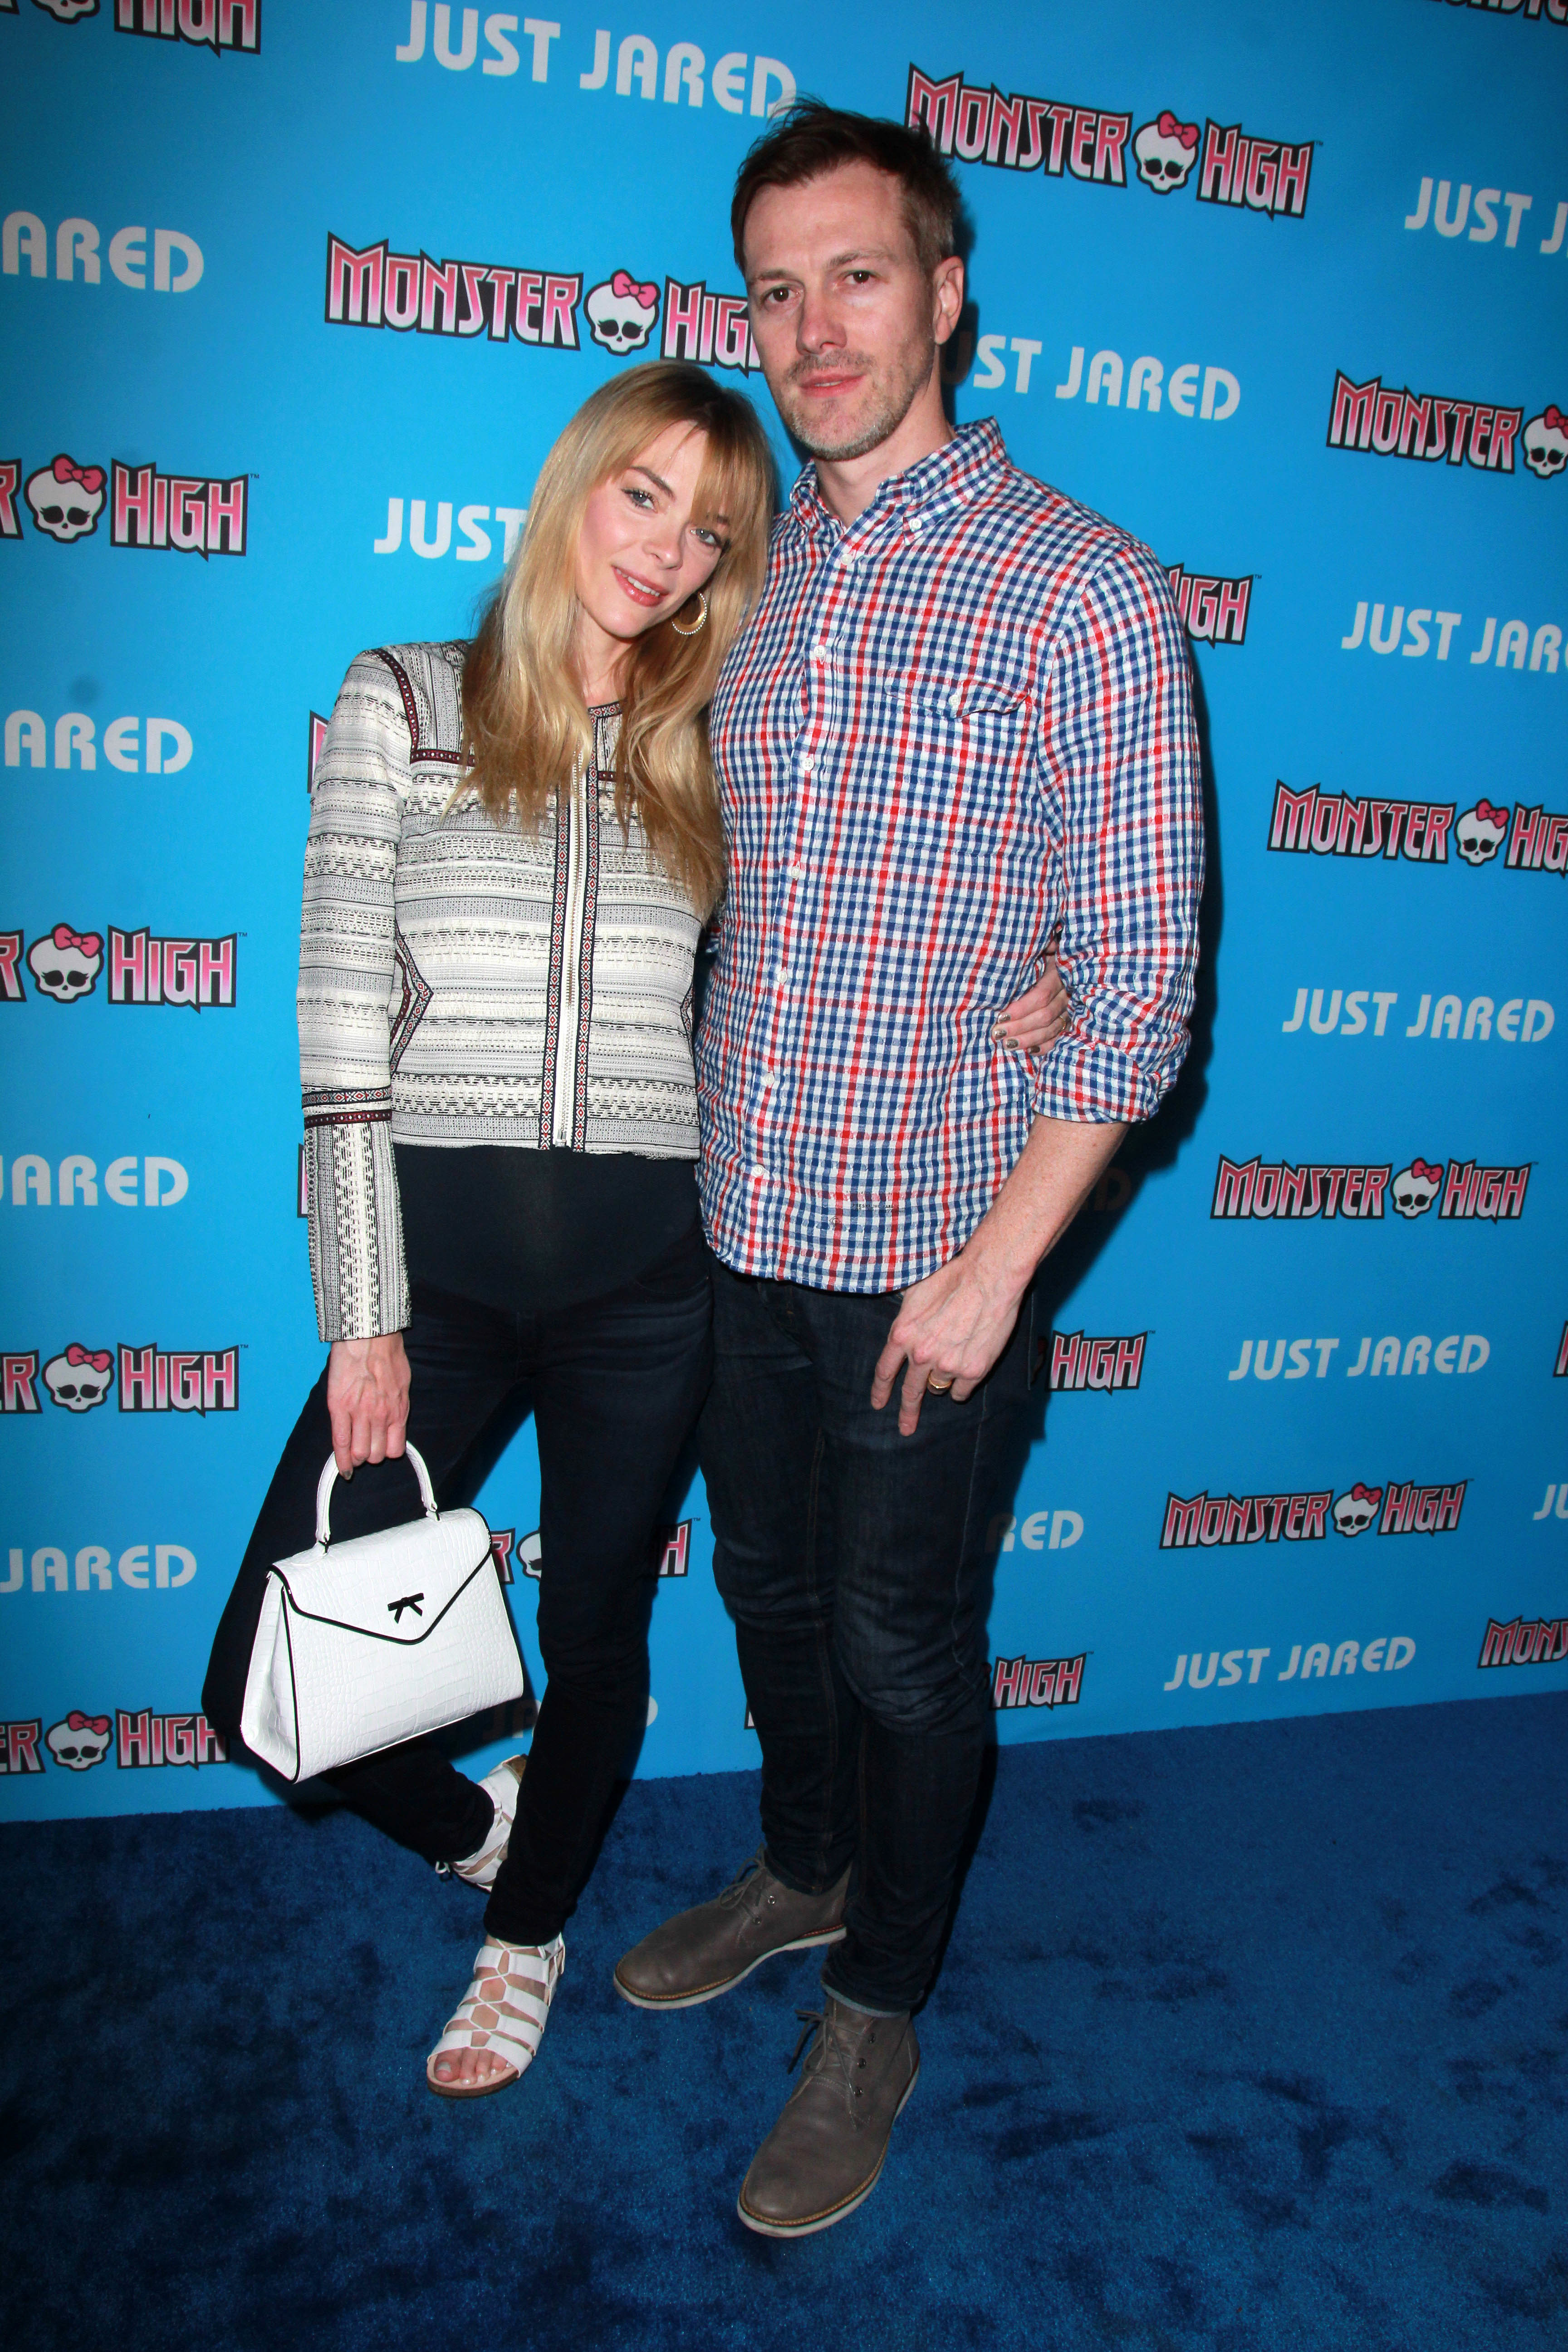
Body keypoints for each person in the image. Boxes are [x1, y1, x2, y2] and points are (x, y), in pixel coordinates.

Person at [613, 105, 1205, 2236]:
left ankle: (879, 2000)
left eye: (858, 276)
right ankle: (805, 1866)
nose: (816, 328)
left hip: (937, 1257)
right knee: (767, 1595)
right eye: (776, 290)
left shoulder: (1087, 590)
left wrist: (997, 1272)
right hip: (739, 1229)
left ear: (946, 294)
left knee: (902, 1643)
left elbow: (1140, 991)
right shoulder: (747, 583)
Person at [202, 361, 776, 2099]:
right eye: (643, 495)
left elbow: (866, 931)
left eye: (711, 529)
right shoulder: (403, 696)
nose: (668, 551)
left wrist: (1035, 978)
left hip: (649, 1287)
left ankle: (524, 1944)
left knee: (598, 1634)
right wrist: (363, 1311)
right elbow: (337, 1025)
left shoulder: (717, 738)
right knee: (256, 1684)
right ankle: (488, 1835)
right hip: (432, 1289)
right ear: (574, 485)